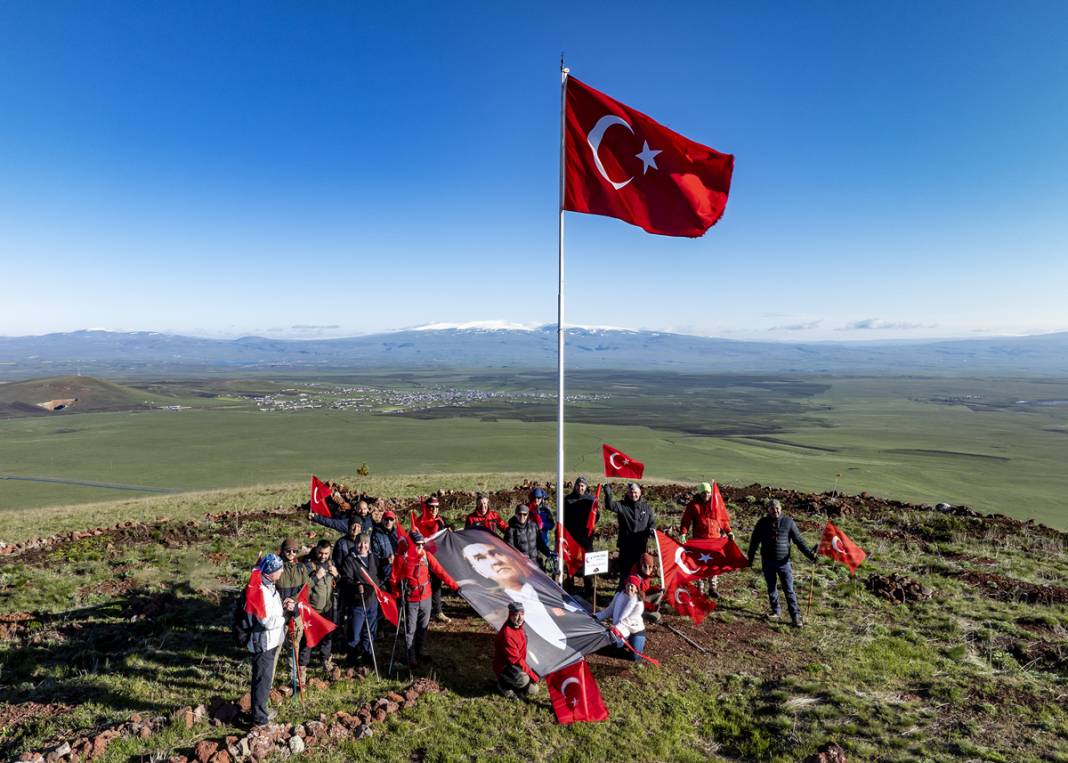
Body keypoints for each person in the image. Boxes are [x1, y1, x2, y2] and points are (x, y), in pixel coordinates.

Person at [747, 499, 817, 628]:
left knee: (789, 589)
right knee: (771, 588)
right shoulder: (762, 523)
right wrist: (749, 559)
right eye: (773, 508)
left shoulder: (788, 522)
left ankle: (795, 617)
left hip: (784, 563)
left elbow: (799, 541)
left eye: (778, 508)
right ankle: (776, 612)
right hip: (767, 562)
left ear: (781, 508)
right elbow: (754, 542)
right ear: (768, 510)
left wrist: (810, 555)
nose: (776, 510)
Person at [247, 553, 296, 726]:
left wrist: (281, 607)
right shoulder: (261, 590)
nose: (282, 571)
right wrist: (285, 615)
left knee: (264, 679)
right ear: (270, 571)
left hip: (271, 640)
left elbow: (270, 612)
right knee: (262, 679)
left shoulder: (268, 585)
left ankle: (260, 711)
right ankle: (260, 720)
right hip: (264, 641)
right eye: (279, 568)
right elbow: (266, 620)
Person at [398, 530, 459, 669]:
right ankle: (410, 656)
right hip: (411, 600)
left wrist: (454, 586)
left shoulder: (427, 556)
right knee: (410, 630)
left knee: (423, 628)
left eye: (421, 545)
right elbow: (395, 578)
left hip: (426, 598)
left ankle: (419, 651)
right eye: (417, 545)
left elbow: (440, 572)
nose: (420, 548)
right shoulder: (403, 559)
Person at [680, 481, 735, 597]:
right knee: (700, 564)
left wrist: (728, 531)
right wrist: (683, 533)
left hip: (715, 540)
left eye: (709, 492)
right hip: (700, 541)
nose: (706, 495)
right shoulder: (693, 505)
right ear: (699, 493)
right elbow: (686, 521)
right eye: (704, 492)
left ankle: (712, 588)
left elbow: (723, 520)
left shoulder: (716, 504)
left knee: (713, 564)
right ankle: (700, 588)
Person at [602, 482, 656, 589]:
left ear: (640, 493)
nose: (633, 495)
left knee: (640, 570)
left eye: (635, 492)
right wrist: (608, 493)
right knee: (625, 572)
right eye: (631, 492)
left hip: (641, 546)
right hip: (626, 546)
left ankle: (639, 592)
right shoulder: (622, 506)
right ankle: (622, 592)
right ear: (628, 493)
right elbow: (610, 505)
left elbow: (652, 523)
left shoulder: (646, 508)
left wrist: (651, 530)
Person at [339, 533, 380, 665]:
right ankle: (352, 659)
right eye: (360, 543)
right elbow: (346, 579)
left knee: (369, 633)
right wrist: (356, 586)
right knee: (355, 633)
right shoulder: (350, 560)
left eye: (365, 543)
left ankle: (367, 657)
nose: (363, 546)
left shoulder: (373, 557)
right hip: (358, 602)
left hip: (372, 601)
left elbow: (380, 573)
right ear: (355, 544)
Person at [300, 540, 338, 672]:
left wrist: (337, 575)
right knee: (308, 639)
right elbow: (304, 587)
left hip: (328, 607)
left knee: (328, 636)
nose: (323, 556)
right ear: (316, 550)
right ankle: (302, 667)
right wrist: (316, 577)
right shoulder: (309, 565)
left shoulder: (330, 563)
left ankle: (326, 662)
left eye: (326, 553)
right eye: (321, 553)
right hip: (312, 610)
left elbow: (336, 584)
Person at [276, 539, 311, 680]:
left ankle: (294, 678)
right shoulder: (276, 567)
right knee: (275, 648)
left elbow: (306, 590)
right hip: (278, 614)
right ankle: (268, 682)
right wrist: (282, 602)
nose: (291, 553)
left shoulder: (301, 568)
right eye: (288, 550)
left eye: (294, 551)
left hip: (296, 614)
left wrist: (293, 600)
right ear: (282, 551)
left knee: (294, 646)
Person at [416, 496, 452, 623]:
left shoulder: (439, 521)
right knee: (424, 584)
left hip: (437, 557)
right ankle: (422, 611)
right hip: (423, 558)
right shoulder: (419, 521)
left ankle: (438, 611)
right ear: (427, 507)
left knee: (436, 584)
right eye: (432, 507)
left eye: (437, 507)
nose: (435, 509)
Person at [493, 602, 540, 699]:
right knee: (523, 680)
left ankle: (516, 683)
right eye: (516, 615)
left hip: (516, 664)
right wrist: (532, 675)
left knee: (534, 690)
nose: (519, 618)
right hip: (505, 666)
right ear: (510, 615)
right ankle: (503, 685)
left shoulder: (520, 627)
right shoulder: (507, 634)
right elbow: (517, 659)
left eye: (522, 614)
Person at [596, 575, 646, 660]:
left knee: (635, 658)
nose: (629, 588)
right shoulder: (618, 595)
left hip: (635, 629)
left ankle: (638, 642)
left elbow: (627, 621)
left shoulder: (639, 604)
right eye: (628, 585)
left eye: (632, 586)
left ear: (636, 589)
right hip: (622, 629)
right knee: (615, 647)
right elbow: (610, 610)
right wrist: (597, 616)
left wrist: (614, 628)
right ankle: (622, 643)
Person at [562, 477, 596, 597]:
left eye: (582, 486)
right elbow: (563, 517)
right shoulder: (567, 500)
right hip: (571, 537)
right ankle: (570, 588)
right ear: (575, 486)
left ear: (586, 487)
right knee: (570, 563)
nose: (580, 488)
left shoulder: (591, 500)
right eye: (578, 485)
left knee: (588, 563)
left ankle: (588, 589)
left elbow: (596, 516)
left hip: (586, 538)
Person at [528, 487, 556, 556]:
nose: (536, 500)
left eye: (538, 498)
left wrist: (542, 525)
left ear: (542, 499)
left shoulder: (546, 510)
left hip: (543, 542)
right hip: (530, 541)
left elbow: (551, 525)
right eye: (534, 497)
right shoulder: (528, 508)